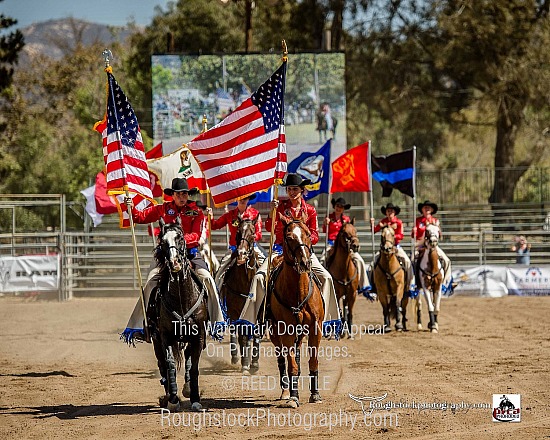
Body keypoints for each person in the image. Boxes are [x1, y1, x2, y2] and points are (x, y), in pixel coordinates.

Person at [121, 178, 226, 344]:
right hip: (164, 257)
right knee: (150, 282)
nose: (182, 197)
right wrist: (130, 207)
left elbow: (197, 236)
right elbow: (140, 218)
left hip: (190, 254)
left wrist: (176, 240)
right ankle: (144, 325)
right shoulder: (163, 209)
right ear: (173, 195)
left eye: (185, 194)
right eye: (179, 194)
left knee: (207, 278)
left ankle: (215, 321)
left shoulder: (196, 211)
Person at [242, 173, 341, 335]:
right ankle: (255, 319)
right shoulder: (280, 207)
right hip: (280, 251)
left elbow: (315, 236)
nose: (292, 192)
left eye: (295, 189)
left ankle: (326, 318)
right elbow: (269, 228)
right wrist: (273, 213)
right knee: (259, 277)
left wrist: (304, 236)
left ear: (302, 190)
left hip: (304, 252)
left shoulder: (310, 210)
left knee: (326, 277)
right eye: (289, 189)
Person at [206, 194, 265, 289]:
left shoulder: (255, 214)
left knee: (265, 266)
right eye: (240, 198)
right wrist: (210, 217)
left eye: (245, 198)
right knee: (220, 271)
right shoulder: (230, 214)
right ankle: (217, 292)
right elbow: (215, 225)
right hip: (233, 248)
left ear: (248, 199)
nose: (242, 200)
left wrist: (254, 236)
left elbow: (259, 234)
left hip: (251, 247)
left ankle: (266, 294)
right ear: (236, 199)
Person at [322, 197, 373, 298]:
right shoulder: (328, 217)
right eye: (337, 206)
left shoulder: (346, 220)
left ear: (343, 209)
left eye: (341, 207)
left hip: (346, 246)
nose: (339, 208)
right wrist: (325, 224)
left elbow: (351, 233)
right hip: (331, 244)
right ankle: (322, 286)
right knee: (322, 260)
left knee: (359, 260)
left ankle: (364, 286)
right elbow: (324, 231)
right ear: (334, 206)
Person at [369, 203, 416, 296]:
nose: (390, 212)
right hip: (384, 249)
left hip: (396, 247)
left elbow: (401, 236)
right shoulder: (383, 221)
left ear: (394, 213)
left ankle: (411, 285)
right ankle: (372, 286)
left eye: (391, 211)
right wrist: (372, 224)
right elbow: (375, 230)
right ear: (386, 212)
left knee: (407, 262)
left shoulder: (398, 222)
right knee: (372, 264)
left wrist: (391, 234)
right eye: (388, 211)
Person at [412, 200, 452, 292]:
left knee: (447, 261)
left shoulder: (435, 221)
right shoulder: (417, 221)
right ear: (422, 210)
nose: (427, 209)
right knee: (412, 261)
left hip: (433, 246)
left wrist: (437, 230)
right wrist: (414, 232)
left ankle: (445, 283)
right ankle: (414, 283)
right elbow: (413, 236)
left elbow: (440, 235)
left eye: (429, 207)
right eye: (425, 207)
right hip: (420, 246)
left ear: (432, 210)